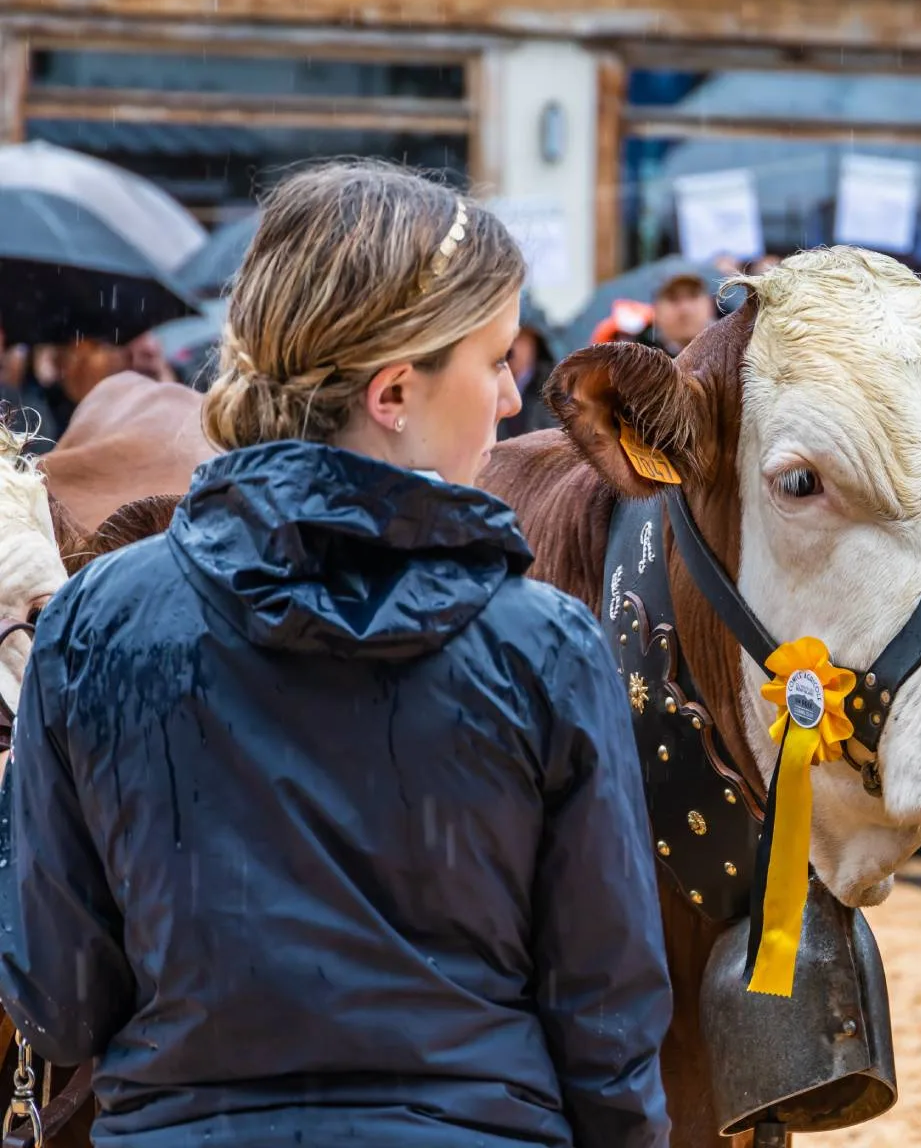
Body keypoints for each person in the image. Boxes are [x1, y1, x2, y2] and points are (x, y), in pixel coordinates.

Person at [0, 161, 672, 1147]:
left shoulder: (93, 624)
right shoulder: (547, 648)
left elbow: (57, 1000)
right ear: (394, 390)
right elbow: (607, 1027)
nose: (514, 399)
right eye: (493, 362)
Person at [499, 294, 561, 439]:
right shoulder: (492, 384)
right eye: (507, 337)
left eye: (519, 338)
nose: (511, 347)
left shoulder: (556, 389)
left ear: (535, 341)